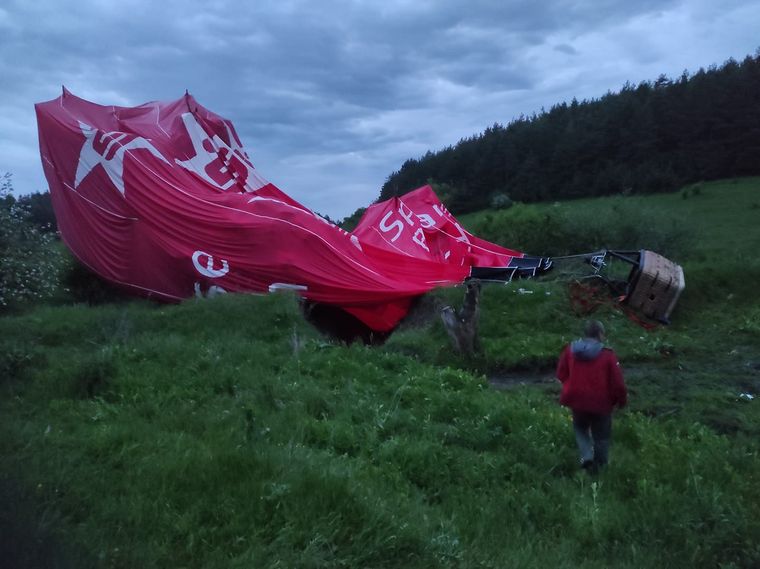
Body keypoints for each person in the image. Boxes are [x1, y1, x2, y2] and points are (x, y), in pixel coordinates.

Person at [556, 320, 627, 471]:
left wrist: (573, 385)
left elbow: (561, 374)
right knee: (601, 437)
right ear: (600, 334)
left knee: (580, 429)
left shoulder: (570, 350)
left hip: (577, 400)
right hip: (601, 403)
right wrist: (621, 401)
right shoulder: (607, 355)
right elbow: (618, 383)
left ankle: (587, 456)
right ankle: (599, 469)